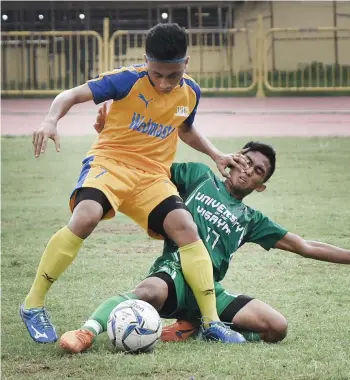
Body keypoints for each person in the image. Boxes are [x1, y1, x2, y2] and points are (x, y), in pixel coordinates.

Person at [59, 135, 350, 352]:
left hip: (212, 290)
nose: (248, 170)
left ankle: (198, 329)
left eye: (258, 172)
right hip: (175, 274)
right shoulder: (197, 176)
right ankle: (87, 331)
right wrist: (106, 133)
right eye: (247, 161)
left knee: (276, 328)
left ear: (261, 186)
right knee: (147, 292)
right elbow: (149, 167)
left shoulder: (252, 220)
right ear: (234, 158)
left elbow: (304, 246)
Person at [20, 23, 248, 344]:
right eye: (157, 74)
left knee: (185, 228)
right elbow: (70, 95)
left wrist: (216, 154)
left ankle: (211, 322)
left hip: (153, 176)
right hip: (110, 163)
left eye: (173, 75)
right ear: (146, 61)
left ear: (186, 63)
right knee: (85, 218)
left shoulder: (191, 91)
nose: (165, 83)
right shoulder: (127, 80)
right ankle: (33, 305)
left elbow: (184, 129)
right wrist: (50, 119)